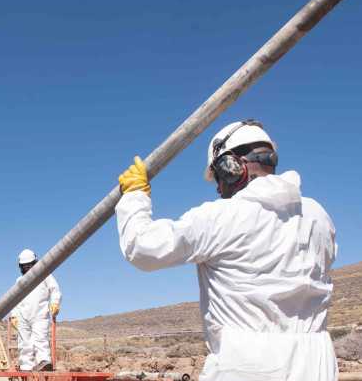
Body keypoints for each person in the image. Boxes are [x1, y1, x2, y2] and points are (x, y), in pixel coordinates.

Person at [115, 119, 337, 381]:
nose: (219, 188)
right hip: (317, 362)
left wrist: (134, 196)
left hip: (250, 364)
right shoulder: (318, 215)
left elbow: (144, 248)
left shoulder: (222, 216)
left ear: (230, 167)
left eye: (218, 178)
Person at [9, 249, 61, 372]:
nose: (27, 268)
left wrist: (55, 303)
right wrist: (14, 315)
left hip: (39, 314)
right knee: (24, 342)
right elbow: (15, 300)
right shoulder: (19, 281)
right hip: (22, 315)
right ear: (20, 267)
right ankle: (26, 366)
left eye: (29, 265)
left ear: (35, 263)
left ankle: (44, 361)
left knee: (40, 338)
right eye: (24, 266)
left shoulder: (45, 276)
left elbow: (55, 290)